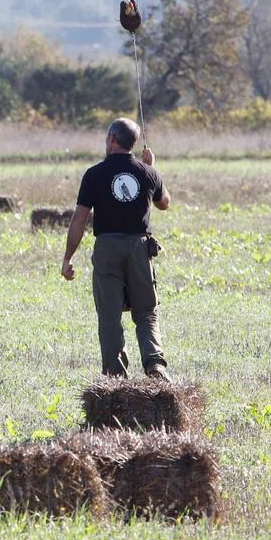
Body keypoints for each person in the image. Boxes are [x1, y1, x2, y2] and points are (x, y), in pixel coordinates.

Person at [59, 117, 172, 379]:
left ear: (112, 139)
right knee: (146, 312)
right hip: (140, 248)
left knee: (109, 316)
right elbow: (164, 203)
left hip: (107, 248)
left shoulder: (94, 174)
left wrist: (68, 257)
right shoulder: (148, 173)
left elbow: (79, 218)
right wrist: (151, 169)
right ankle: (154, 364)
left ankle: (115, 376)